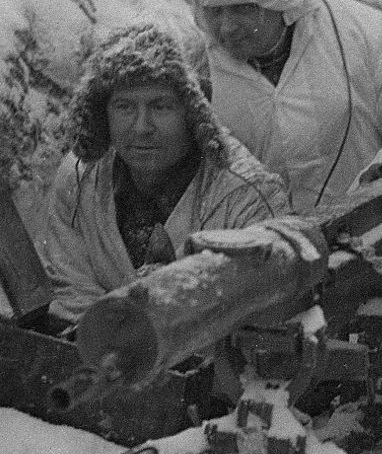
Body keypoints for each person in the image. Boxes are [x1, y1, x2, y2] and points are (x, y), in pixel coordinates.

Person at [42, 24, 290, 321]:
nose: (141, 127)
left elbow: (262, 314)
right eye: (124, 106)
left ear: (195, 112)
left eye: (161, 106)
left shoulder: (245, 197)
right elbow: (70, 289)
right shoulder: (79, 177)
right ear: (102, 110)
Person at [175, 0, 382, 210]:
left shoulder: (365, 34)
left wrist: (377, 184)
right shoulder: (195, 66)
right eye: (214, 11)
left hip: (366, 226)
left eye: (242, 9)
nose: (226, 27)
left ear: (278, 2)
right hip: (254, 243)